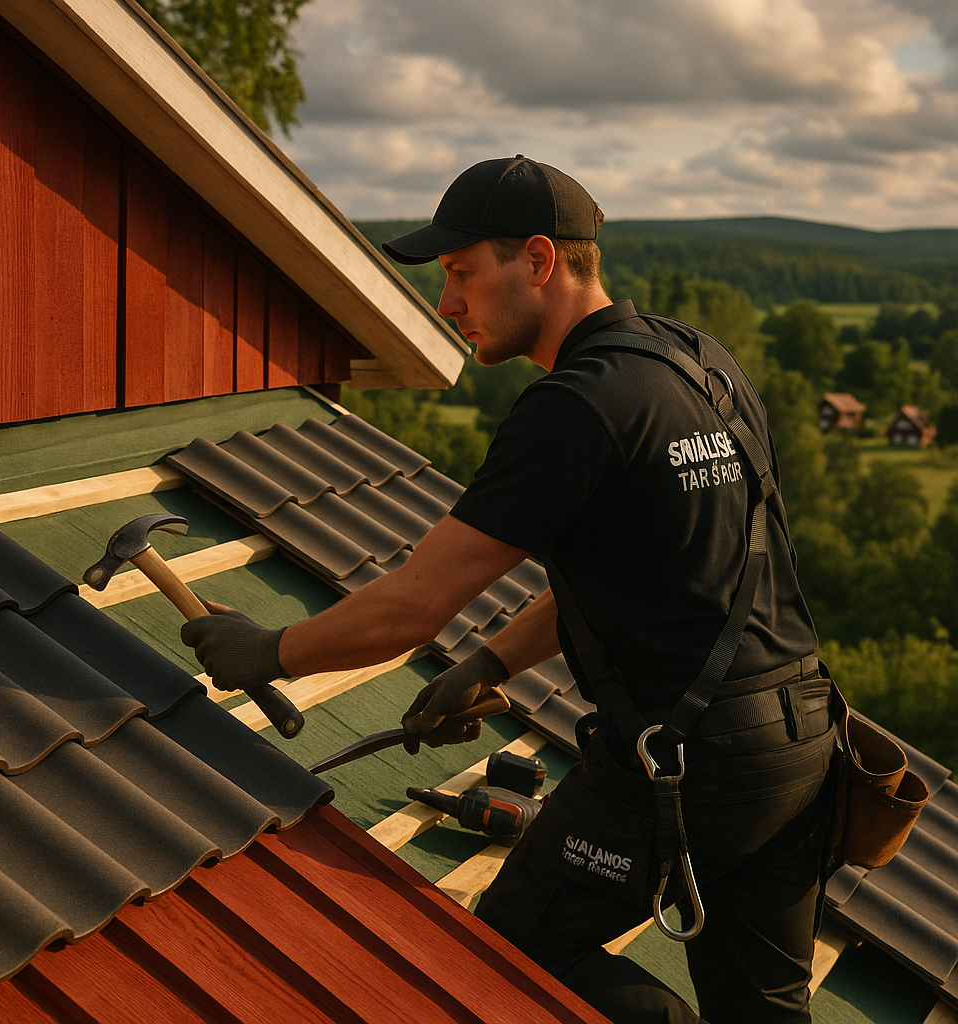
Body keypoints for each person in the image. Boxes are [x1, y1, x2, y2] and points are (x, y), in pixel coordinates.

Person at [181, 155, 837, 1024]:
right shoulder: (697, 362)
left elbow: (414, 604)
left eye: (461, 273)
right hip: (801, 744)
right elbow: (657, 569)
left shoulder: (576, 405)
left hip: (690, 763)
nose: (447, 302)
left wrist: (270, 650)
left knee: (519, 956)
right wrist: (490, 662)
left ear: (538, 260)